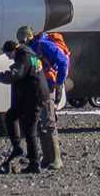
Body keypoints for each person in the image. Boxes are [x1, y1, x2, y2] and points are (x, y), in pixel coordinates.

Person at [0, 39, 46, 173]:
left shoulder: (23, 57)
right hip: (29, 96)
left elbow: (14, 75)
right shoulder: (29, 53)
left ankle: (34, 163)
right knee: (11, 116)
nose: (7, 57)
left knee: (30, 128)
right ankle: (17, 147)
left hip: (34, 97)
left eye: (8, 54)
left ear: (14, 50)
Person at [26, 27, 68, 171]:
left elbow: (62, 61)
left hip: (48, 86)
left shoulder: (44, 45)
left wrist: (58, 82)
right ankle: (47, 157)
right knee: (42, 122)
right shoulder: (34, 45)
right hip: (39, 86)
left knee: (48, 121)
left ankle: (56, 159)